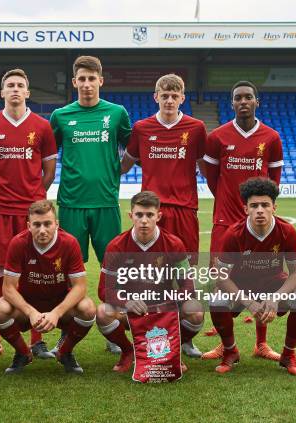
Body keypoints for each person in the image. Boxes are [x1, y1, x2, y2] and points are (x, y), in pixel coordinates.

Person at [120, 74, 207, 358]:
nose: (169, 100)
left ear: (182, 98)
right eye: (164, 95)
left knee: (183, 273)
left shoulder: (196, 128)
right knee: (147, 272)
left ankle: (183, 338)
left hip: (184, 210)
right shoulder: (142, 128)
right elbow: (125, 164)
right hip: (152, 211)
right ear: (155, 97)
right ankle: (142, 332)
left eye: (175, 95)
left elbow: (206, 166)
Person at [50, 56, 131, 355]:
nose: (86, 84)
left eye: (91, 78)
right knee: (66, 273)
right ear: (74, 82)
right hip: (71, 203)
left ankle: (114, 330)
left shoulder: (116, 113)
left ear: (101, 80)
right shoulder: (60, 116)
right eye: (81, 79)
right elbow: (48, 152)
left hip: (106, 203)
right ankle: (66, 332)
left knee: (115, 269)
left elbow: (132, 147)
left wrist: (116, 170)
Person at [0, 68, 57, 360]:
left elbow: (48, 169)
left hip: (31, 213)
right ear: (2, 92)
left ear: (27, 92)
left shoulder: (42, 126)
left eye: (20, 85)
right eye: (9, 85)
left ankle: (38, 339)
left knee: (35, 274)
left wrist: (34, 196)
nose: (14, 89)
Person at [202, 81, 284, 359]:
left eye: (249, 97)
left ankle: (261, 343)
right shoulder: (217, 137)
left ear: (256, 102)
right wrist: (227, 200)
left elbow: (274, 181)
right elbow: (212, 178)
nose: (244, 101)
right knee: (221, 277)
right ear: (232, 103)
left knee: (264, 276)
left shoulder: (271, 137)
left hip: (258, 224)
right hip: (225, 220)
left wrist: (258, 208)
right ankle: (226, 345)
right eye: (238, 98)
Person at [209, 177, 296, 375]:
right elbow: (221, 277)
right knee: (217, 299)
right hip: (240, 287)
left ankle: (288, 355)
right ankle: (230, 351)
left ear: (274, 207)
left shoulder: (287, 231)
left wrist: (275, 297)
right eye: (254, 205)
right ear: (246, 209)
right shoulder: (233, 234)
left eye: (265, 204)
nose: (260, 210)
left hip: (273, 285)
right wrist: (248, 302)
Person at [95, 191, 204, 374]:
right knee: (103, 312)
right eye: (139, 215)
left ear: (158, 216)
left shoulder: (174, 244)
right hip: (132, 310)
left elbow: (188, 286)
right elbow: (104, 290)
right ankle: (129, 351)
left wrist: (168, 302)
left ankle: (172, 351)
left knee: (195, 310)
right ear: (131, 216)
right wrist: (127, 302)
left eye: (149, 215)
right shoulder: (116, 246)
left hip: (164, 311)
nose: (144, 220)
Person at [0, 200, 96, 374]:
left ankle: (65, 352)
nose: (42, 230)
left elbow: (80, 287)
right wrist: (31, 312)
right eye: (37, 224)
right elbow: (8, 288)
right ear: (29, 225)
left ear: (56, 224)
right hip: (28, 305)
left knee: (88, 308)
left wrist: (56, 313)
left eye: (47, 224)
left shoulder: (69, 243)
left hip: (60, 305)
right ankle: (23, 353)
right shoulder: (18, 243)